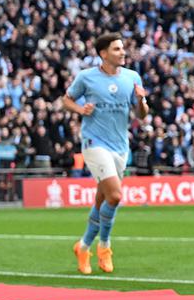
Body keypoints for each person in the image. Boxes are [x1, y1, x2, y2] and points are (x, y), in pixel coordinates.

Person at [63, 33, 149, 275]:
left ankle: (83, 246)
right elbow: (66, 100)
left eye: (122, 48)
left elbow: (141, 115)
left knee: (102, 199)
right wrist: (81, 109)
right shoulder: (87, 77)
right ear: (103, 54)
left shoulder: (132, 77)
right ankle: (104, 246)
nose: (122, 52)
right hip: (94, 143)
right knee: (115, 195)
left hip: (120, 146)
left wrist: (141, 101)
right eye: (117, 49)